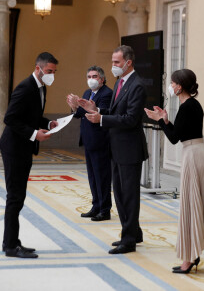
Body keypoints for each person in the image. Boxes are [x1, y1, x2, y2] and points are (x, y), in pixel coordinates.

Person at [144, 69, 204, 273]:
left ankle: (189, 258)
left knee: (190, 206)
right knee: (196, 205)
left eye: (173, 82)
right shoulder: (194, 105)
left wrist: (160, 119)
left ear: (179, 86)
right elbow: (180, 132)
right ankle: (193, 254)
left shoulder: (187, 107)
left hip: (193, 155)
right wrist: (165, 120)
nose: (171, 86)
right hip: (199, 152)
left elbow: (174, 138)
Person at [79, 45, 148, 254]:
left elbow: (130, 119)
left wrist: (102, 119)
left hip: (129, 149)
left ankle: (128, 240)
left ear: (128, 62)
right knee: (119, 193)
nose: (113, 66)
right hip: (117, 147)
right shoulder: (121, 82)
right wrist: (96, 110)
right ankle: (133, 232)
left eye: (117, 62)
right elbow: (114, 110)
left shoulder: (137, 85)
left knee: (128, 195)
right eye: (112, 62)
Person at [0, 52, 59, 258]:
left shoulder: (39, 87)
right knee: (15, 197)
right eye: (49, 71)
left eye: (54, 72)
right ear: (38, 69)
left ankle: (13, 241)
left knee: (19, 197)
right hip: (14, 148)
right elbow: (10, 118)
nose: (52, 75)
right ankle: (9, 246)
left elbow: (31, 115)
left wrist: (47, 123)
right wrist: (34, 134)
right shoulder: (25, 87)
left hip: (23, 148)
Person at [66, 66, 112, 221]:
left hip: (100, 141)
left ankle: (105, 209)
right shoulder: (87, 92)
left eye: (95, 76)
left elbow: (106, 112)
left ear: (102, 79)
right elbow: (80, 114)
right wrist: (74, 107)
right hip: (88, 140)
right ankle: (96, 206)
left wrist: (95, 109)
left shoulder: (107, 93)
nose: (92, 79)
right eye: (89, 76)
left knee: (102, 177)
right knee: (92, 176)